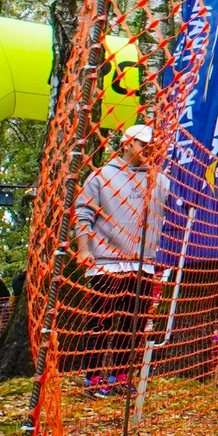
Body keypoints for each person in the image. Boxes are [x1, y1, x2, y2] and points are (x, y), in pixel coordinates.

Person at [71, 122, 165, 394]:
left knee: (131, 324)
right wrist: (85, 249)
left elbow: (174, 213)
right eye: (143, 145)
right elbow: (82, 214)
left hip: (143, 264)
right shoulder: (101, 176)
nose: (149, 150)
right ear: (127, 144)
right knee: (99, 323)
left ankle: (120, 378)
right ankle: (92, 379)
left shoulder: (159, 179)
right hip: (106, 263)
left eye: (153, 146)